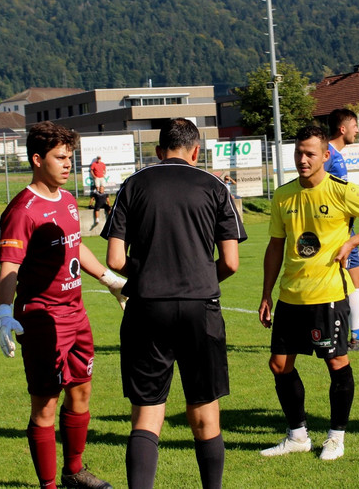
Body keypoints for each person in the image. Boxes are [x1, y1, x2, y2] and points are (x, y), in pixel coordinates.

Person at [103, 118, 247, 489]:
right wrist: (196, 275)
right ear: (196, 151)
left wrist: (152, 274)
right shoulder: (215, 187)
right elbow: (231, 262)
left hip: (147, 306)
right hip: (200, 306)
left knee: (147, 416)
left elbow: (115, 260)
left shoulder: (133, 184)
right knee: (204, 413)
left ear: (158, 150)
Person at [0, 121, 127, 489]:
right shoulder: (23, 210)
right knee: (46, 405)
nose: (68, 164)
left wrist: (110, 280)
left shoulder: (68, 201)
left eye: (70, 157)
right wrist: (4, 312)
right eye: (60, 157)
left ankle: (75, 472)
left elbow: (75, 246)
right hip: (42, 319)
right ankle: (49, 485)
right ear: (37, 160)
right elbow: (10, 267)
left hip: (76, 313)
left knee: (82, 391)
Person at [259, 125, 359, 461]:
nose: (303, 160)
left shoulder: (342, 191)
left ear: (325, 156)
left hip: (329, 294)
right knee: (279, 365)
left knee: (335, 362)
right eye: (298, 153)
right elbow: (275, 247)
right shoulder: (283, 195)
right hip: (291, 295)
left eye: (310, 153)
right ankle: (297, 436)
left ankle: (336, 437)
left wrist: (351, 241)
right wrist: (266, 294)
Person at [323, 108, 359, 349]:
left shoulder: (336, 154)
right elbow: (315, 186)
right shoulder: (329, 155)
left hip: (347, 228)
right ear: (342, 128)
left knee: (356, 277)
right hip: (336, 231)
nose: (358, 129)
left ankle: (356, 332)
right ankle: (339, 333)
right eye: (355, 125)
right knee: (342, 282)